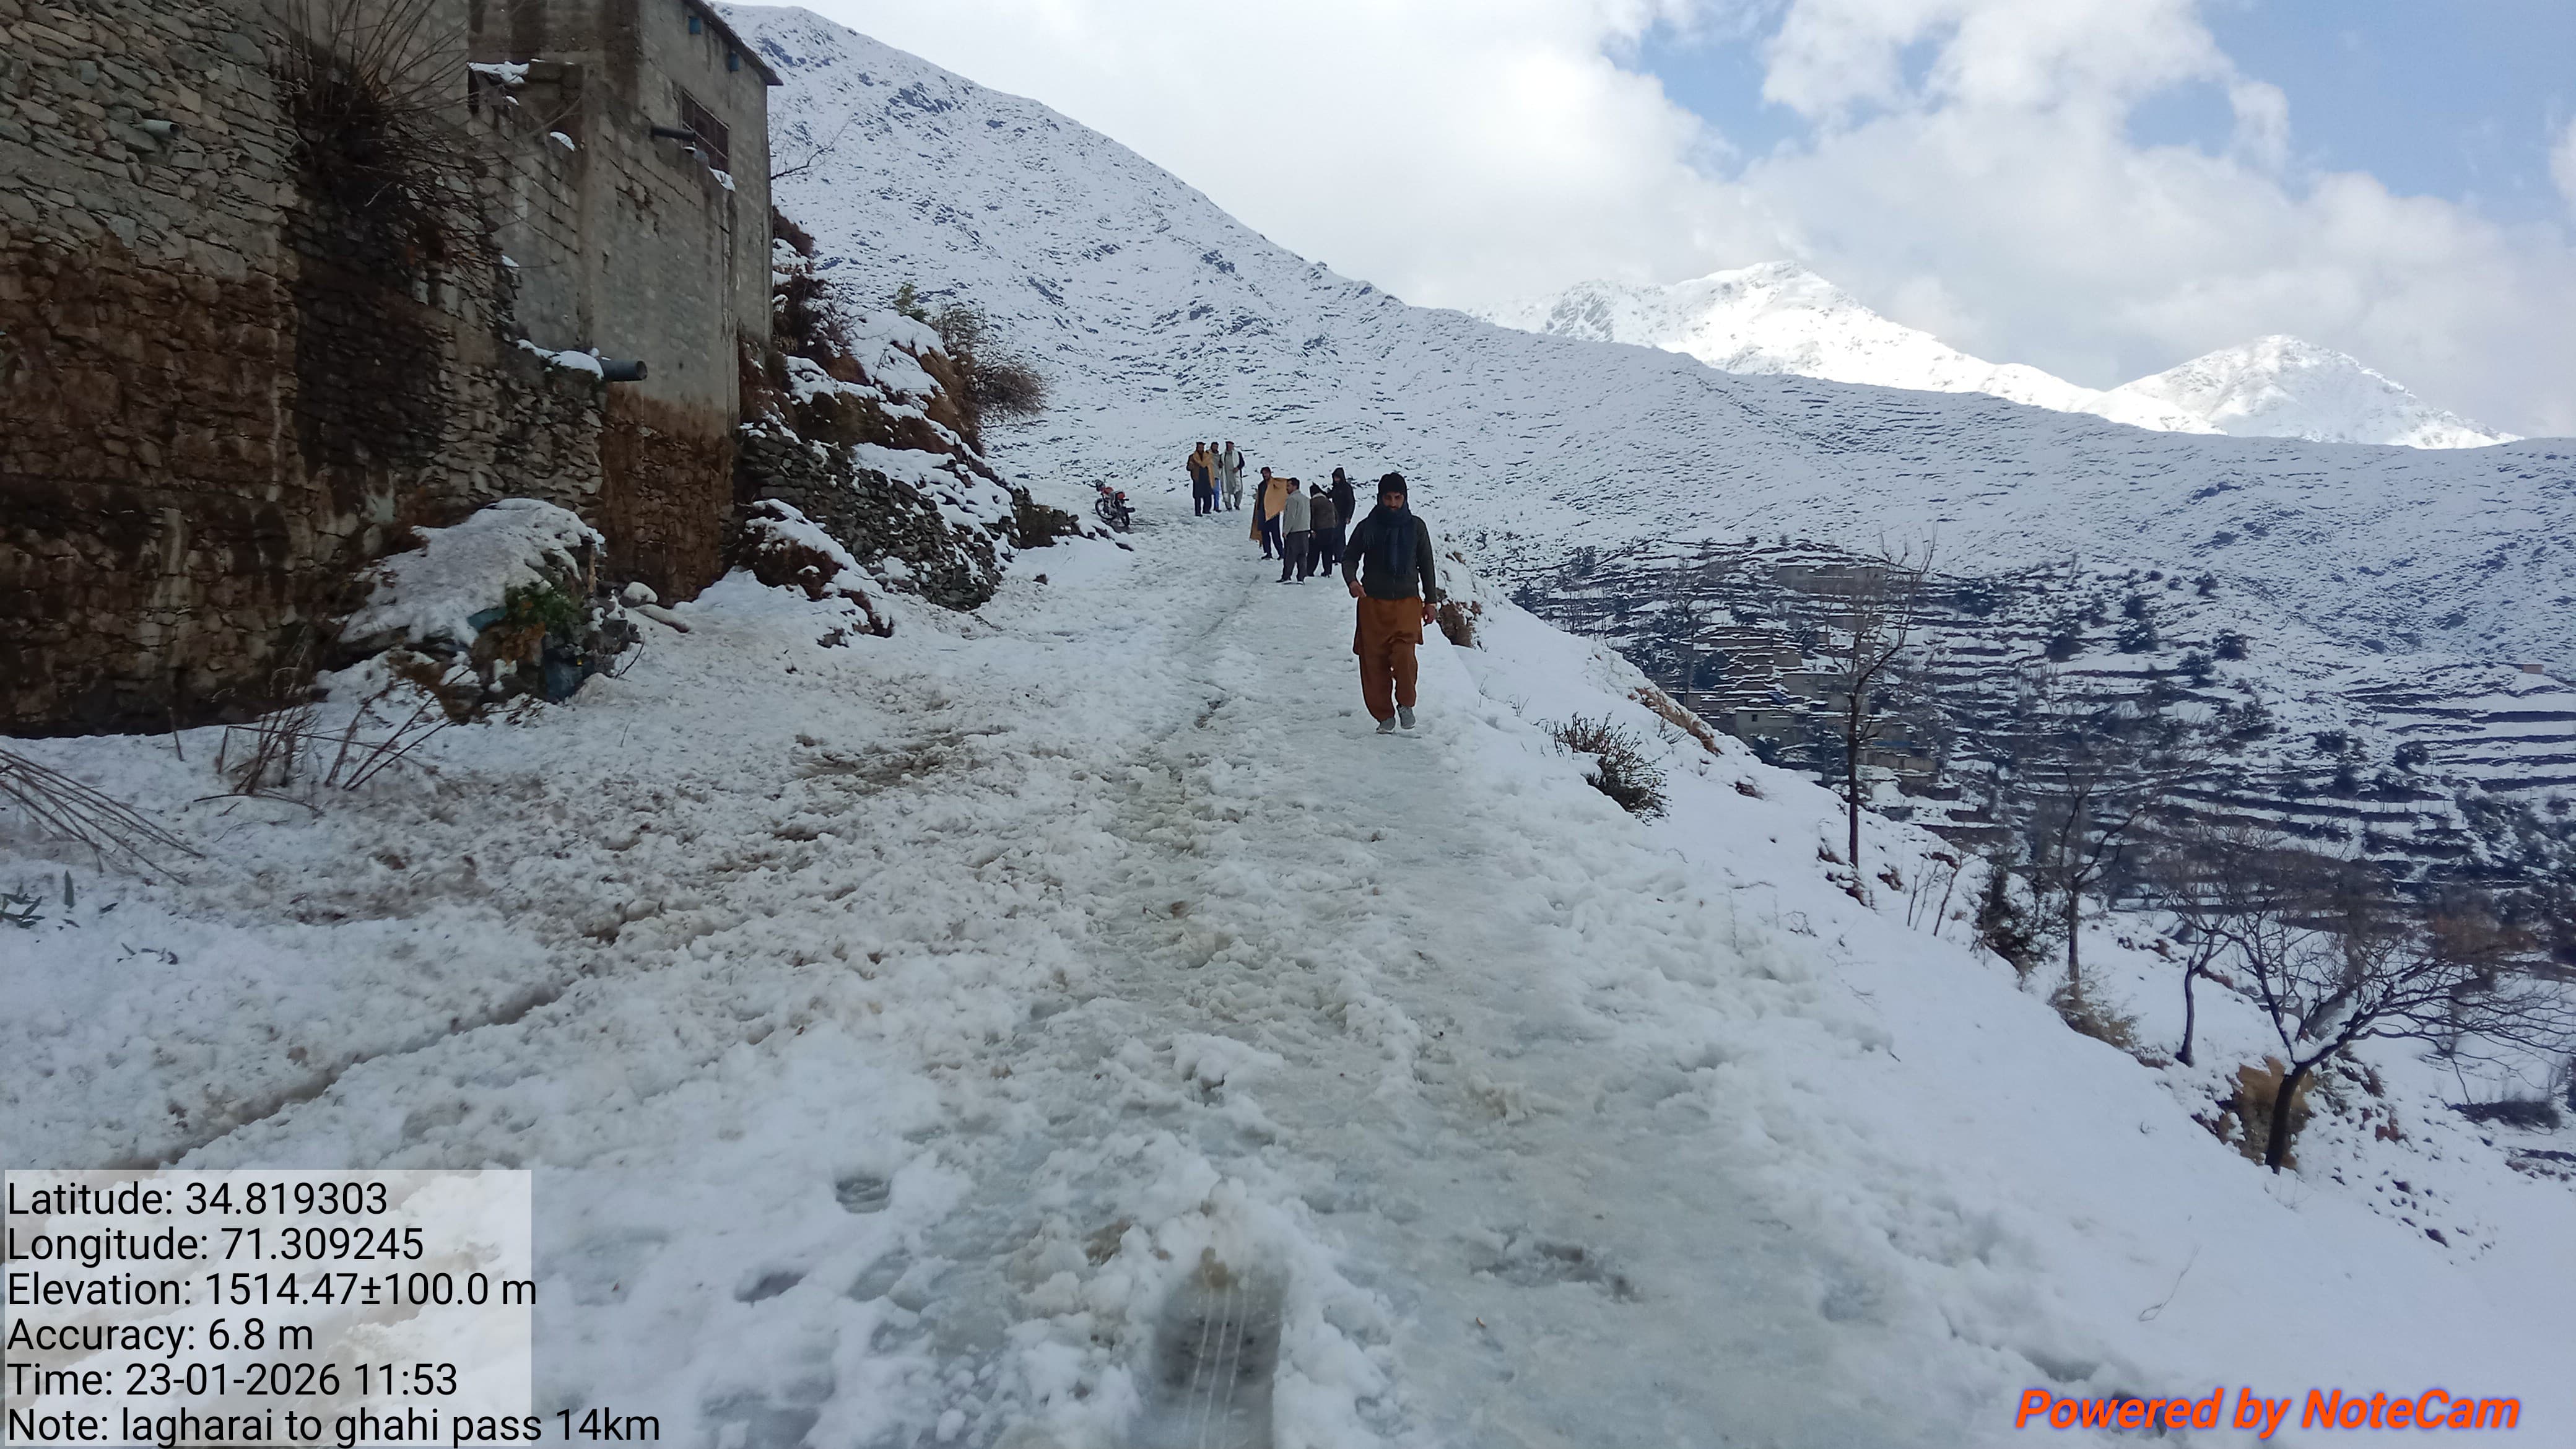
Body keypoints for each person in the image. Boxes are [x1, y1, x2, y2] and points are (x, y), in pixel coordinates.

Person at [1342, 472, 1439, 733]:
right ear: (1380, 498)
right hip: (1372, 604)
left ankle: (1405, 702)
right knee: (1374, 663)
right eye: (1388, 498)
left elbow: (1427, 564)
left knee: (1405, 655)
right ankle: (1384, 715)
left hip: (1407, 603)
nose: (1393, 503)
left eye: (1398, 498)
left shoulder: (1416, 527)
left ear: (1405, 498)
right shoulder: (1367, 527)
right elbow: (1349, 557)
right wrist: (1352, 581)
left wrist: (1431, 601)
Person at [1277, 480, 1312, 583]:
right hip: (1305, 530)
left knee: (1290, 556)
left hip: (1294, 531)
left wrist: (1286, 531)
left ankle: (1287, 576)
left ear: (1295, 486)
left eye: (1289, 486)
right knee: (1302, 555)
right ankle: (1301, 578)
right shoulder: (1306, 499)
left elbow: (1291, 516)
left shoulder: (1292, 499)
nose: (1287, 488)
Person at [1308, 481, 1342, 577]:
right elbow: (1336, 515)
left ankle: (1310, 570)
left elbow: (1312, 517)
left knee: (1314, 552)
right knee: (1328, 551)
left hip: (1319, 530)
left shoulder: (1313, 502)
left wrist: (1312, 530)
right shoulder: (1329, 502)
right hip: (1330, 529)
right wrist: (1334, 526)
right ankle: (1327, 571)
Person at [1252, 467, 1287, 558]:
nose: (1265, 475)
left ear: (1270, 473)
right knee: (1265, 534)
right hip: (1263, 512)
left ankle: (1281, 553)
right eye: (1263, 473)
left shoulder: (1275, 484)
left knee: (1275, 534)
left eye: (1266, 473)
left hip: (1273, 513)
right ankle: (1268, 553)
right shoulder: (1261, 485)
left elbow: (1284, 486)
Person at [1328, 468, 1357, 536]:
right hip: (1335, 514)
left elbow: (1351, 502)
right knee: (1335, 534)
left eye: (1337, 477)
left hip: (1343, 515)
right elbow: (1329, 496)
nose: (1336, 479)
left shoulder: (1347, 488)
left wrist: (1349, 516)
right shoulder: (1335, 488)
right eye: (1335, 477)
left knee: (1340, 534)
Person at [1188, 442, 1214, 516]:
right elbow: (1188, 468)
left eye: (1202, 448)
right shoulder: (1192, 457)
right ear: (1197, 448)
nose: (1201, 449)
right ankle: (1198, 512)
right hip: (1198, 478)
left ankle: (1206, 510)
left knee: (1208, 495)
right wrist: (1190, 467)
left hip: (1207, 478)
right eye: (1200, 447)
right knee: (1198, 496)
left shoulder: (1207, 456)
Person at [1218, 442, 1245, 510]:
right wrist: (1220, 465)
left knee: (1239, 491)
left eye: (1230, 446)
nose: (1229, 447)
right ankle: (1229, 506)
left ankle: (1237, 504)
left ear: (1233, 446)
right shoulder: (1223, 455)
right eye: (1227, 446)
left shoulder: (1238, 454)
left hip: (1236, 475)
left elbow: (1242, 463)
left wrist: (1238, 468)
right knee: (1226, 491)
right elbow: (1220, 464)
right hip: (1227, 476)